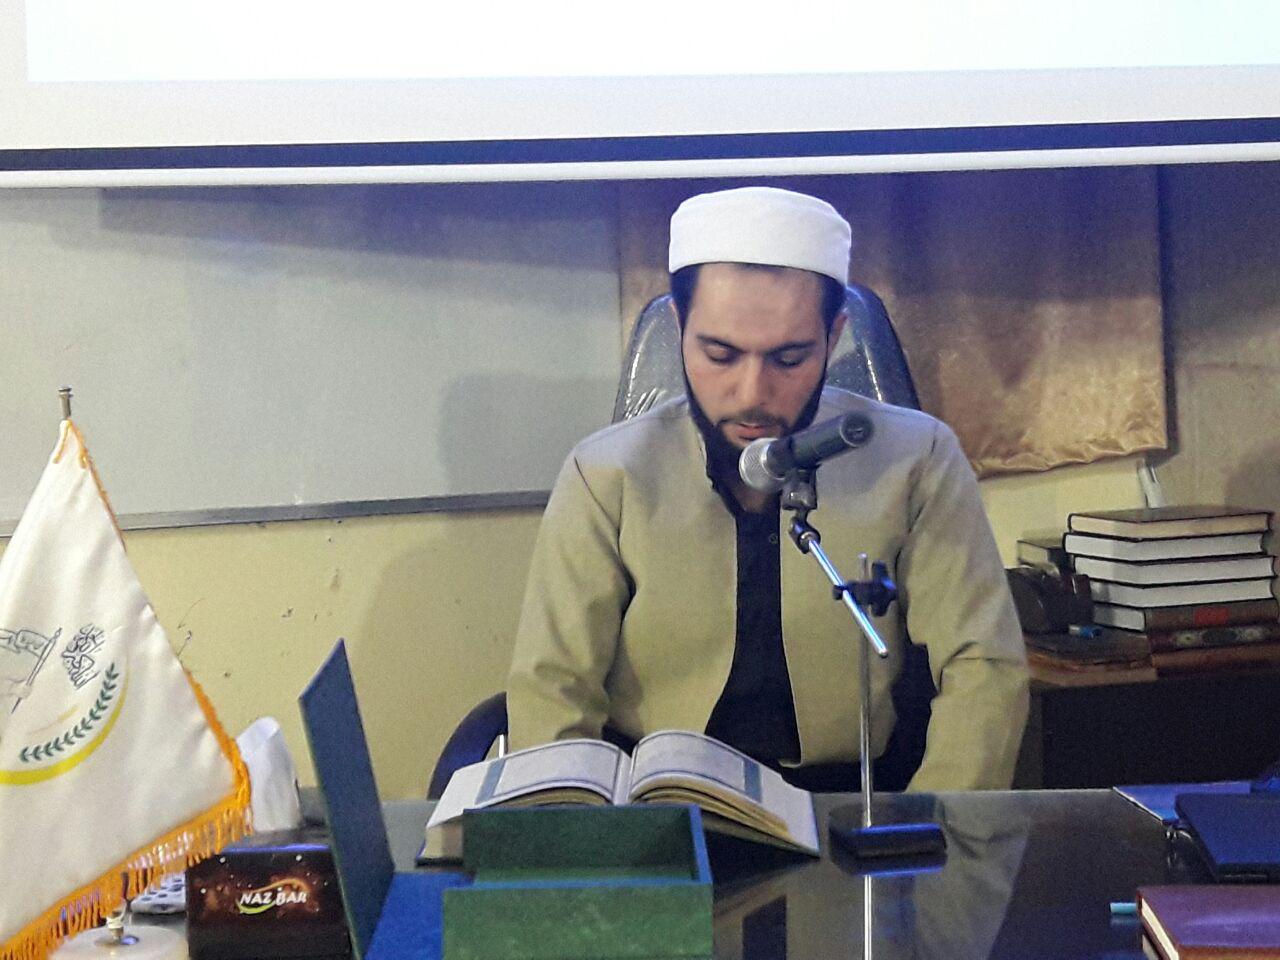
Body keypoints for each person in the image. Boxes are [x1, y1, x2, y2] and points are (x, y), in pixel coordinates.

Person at [506, 186, 1028, 791]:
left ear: (833, 337)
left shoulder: (919, 459)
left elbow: (983, 667)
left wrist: (939, 828)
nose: (753, 394)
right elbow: (553, 690)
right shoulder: (605, 474)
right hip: (660, 806)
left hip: (852, 802)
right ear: (680, 328)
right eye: (720, 355)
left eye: (789, 359)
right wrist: (576, 836)